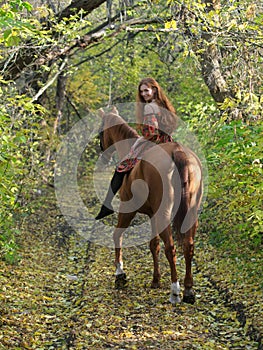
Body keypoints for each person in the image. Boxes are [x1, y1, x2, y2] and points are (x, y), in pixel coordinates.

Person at [95, 77, 177, 220]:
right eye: (142, 92)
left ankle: (107, 205)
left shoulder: (149, 107)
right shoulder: (163, 104)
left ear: (154, 89)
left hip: (152, 142)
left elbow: (151, 131)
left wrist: (143, 137)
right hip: (166, 140)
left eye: (146, 90)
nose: (144, 94)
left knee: (121, 167)